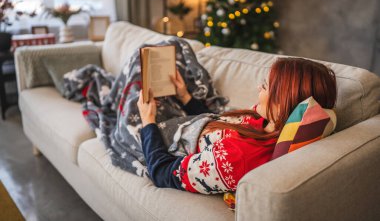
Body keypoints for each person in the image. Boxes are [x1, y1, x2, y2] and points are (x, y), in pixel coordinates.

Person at [137, 57, 337, 194]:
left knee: (134, 87)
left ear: (283, 100)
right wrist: (186, 97)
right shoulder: (264, 122)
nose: (259, 88)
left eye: (265, 86)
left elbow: (162, 173)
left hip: (157, 139)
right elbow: (216, 121)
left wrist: (147, 121)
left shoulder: (238, 158)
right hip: (187, 122)